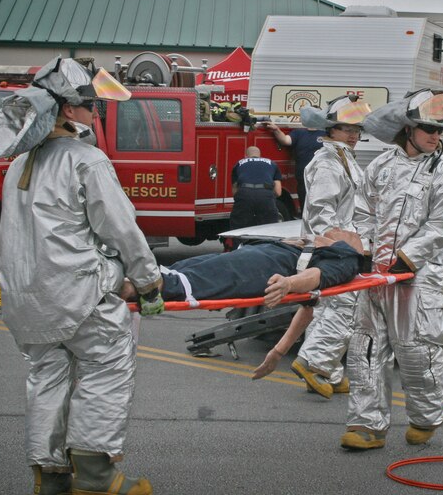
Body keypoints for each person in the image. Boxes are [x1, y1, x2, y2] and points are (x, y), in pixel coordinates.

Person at [0, 57, 163, 495]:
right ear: (66, 109)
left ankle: (51, 477)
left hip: (28, 302)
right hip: (78, 292)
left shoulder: (18, 165)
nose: (95, 112)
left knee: (47, 376)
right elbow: (121, 228)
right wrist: (148, 281)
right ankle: (98, 478)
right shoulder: (87, 160)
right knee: (107, 364)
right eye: (89, 105)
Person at [341, 89, 443, 451]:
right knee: (366, 349)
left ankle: (424, 418)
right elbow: (363, 211)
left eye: (440, 130)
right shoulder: (381, 166)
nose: (435, 136)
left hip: (419, 278)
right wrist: (364, 250)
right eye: (428, 127)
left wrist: (409, 257)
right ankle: (367, 425)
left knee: (417, 351)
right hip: (375, 277)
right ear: (408, 128)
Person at [286, 94, 371, 398]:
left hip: (332, 249)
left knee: (325, 312)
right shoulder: (327, 163)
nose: (354, 135)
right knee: (345, 309)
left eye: (357, 130)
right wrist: (341, 249)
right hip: (331, 251)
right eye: (347, 129)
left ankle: (329, 374)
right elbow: (322, 212)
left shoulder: (341, 158)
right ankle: (314, 363)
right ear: (331, 129)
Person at [157, 228, 365, 305]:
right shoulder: (310, 240)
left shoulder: (347, 257)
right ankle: (144, 280)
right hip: (254, 254)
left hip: (266, 267)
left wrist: (288, 284)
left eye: (347, 231)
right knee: (177, 269)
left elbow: (318, 276)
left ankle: (143, 288)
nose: (338, 228)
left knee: (191, 282)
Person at [265, 121, 323, 209]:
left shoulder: (326, 133)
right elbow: (285, 140)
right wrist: (276, 129)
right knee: (305, 207)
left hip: (322, 176)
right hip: (303, 177)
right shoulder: (298, 133)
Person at [229, 145, 282, 229]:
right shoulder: (272, 163)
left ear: (246, 156)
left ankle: (239, 242)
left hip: (245, 193)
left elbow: (235, 191)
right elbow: (278, 192)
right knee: (270, 226)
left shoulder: (239, 163)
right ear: (260, 156)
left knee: (238, 226)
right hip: (265, 194)